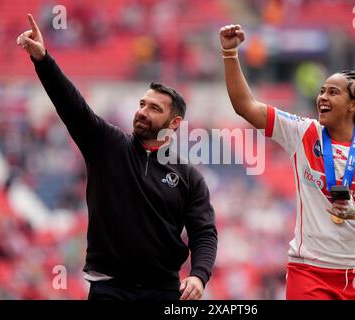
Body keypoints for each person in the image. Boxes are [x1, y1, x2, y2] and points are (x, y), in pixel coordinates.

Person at [16, 14, 218, 300]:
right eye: (142, 104)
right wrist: (43, 60)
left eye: (154, 109)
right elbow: (71, 105)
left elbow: (204, 232)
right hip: (109, 288)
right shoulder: (107, 144)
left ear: (174, 124)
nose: (143, 112)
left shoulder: (189, 176)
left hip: (164, 291)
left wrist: (199, 275)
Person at [219, 24, 355, 300]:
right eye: (321, 91)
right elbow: (245, 105)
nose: (322, 97)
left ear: (353, 105)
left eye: (333, 92)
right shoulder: (302, 132)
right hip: (309, 271)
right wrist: (230, 53)